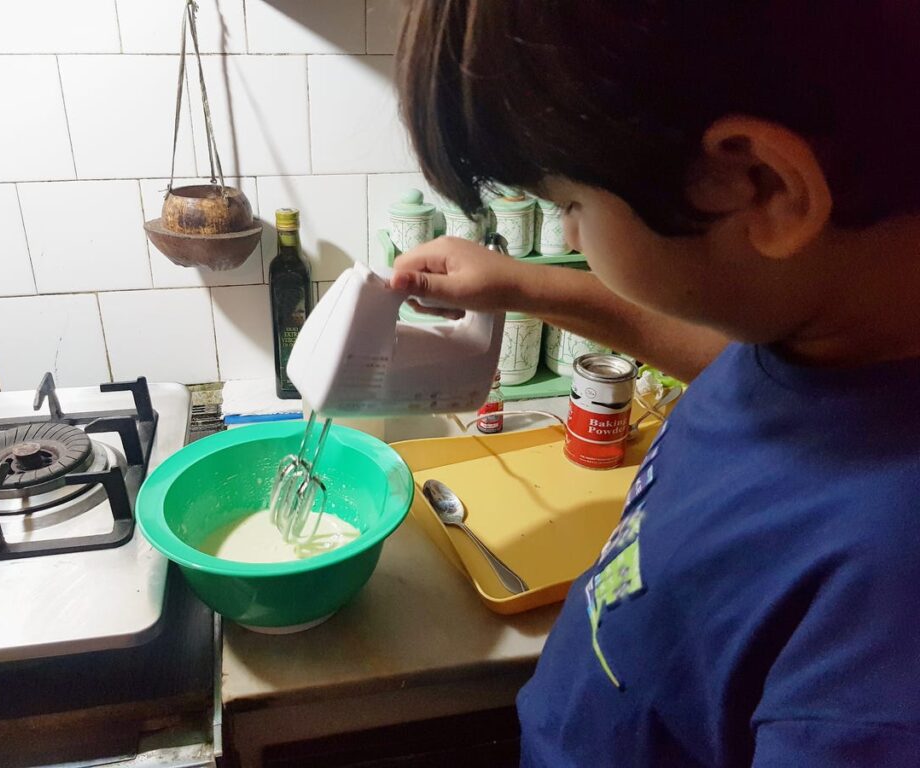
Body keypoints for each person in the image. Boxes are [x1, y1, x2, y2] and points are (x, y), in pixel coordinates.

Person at [390, 2, 920, 766]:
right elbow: (721, 360)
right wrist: (524, 285)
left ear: (761, 186)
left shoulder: (885, 608)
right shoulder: (813, 335)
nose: (567, 235)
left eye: (570, 204)